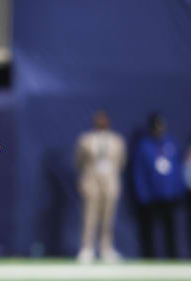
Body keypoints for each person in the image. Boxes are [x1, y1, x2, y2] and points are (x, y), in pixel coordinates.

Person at [75, 110, 126, 264]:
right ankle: (87, 248)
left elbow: (121, 162)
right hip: (92, 180)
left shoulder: (117, 141)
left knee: (108, 217)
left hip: (110, 181)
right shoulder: (86, 140)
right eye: (99, 119)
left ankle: (106, 248)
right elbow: (79, 161)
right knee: (89, 216)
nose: (101, 122)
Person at [132, 113, 184, 258]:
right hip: (151, 196)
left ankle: (173, 257)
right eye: (156, 126)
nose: (159, 129)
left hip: (169, 195)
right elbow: (139, 172)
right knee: (149, 230)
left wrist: (177, 190)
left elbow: (177, 169)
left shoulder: (171, 143)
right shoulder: (143, 146)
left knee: (170, 229)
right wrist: (143, 194)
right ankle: (149, 257)